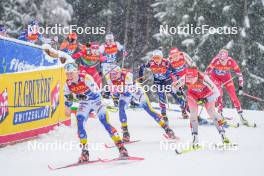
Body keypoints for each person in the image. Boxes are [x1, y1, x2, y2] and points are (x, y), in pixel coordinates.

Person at [63, 63, 128, 163]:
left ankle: (121, 148)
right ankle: (85, 153)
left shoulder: (86, 77)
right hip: (85, 104)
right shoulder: (67, 84)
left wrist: (82, 95)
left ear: (76, 71)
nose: (69, 76)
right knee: (80, 123)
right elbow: (68, 98)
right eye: (67, 74)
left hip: (97, 101)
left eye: (71, 73)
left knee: (105, 123)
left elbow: (96, 91)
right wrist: (67, 107)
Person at [108, 67, 177, 141]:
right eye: (112, 74)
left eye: (115, 74)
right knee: (121, 109)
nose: (113, 76)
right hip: (124, 94)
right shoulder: (109, 79)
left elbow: (128, 92)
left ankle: (167, 129)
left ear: (119, 73)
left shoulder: (127, 75)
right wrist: (114, 96)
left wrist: (117, 89)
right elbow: (114, 93)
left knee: (148, 110)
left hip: (137, 92)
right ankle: (125, 133)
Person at [172, 67, 230, 147]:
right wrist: (178, 92)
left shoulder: (204, 78)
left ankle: (223, 135)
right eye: (188, 77)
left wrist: (206, 99)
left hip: (207, 95)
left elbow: (217, 93)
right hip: (192, 96)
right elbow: (174, 87)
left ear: (197, 76)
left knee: (211, 113)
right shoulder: (185, 78)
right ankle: (195, 138)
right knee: (193, 115)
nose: (190, 80)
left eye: (192, 78)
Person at [139, 50, 188, 124]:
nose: (156, 60)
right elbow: (142, 67)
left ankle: (186, 110)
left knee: (176, 95)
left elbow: (174, 71)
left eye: (158, 58)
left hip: (168, 81)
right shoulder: (151, 63)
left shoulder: (166, 62)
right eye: (154, 58)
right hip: (159, 82)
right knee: (161, 96)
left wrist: (177, 81)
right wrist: (141, 77)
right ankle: (164, 114)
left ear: (161, 58)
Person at [205, 49, 248, 125]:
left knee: (233, 96)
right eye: (221, 60)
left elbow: (239, 74)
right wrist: (206, 83)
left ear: (227, 58)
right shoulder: (215, 60)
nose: (223, 62)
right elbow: (207, 72)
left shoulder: (231, 61)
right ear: (219, 57)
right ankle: (220, 114)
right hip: (215, 78)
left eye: (224, 60)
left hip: (227, 78)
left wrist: (241, 87)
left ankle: (241, 116)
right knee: (219, 93)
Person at [99, 33, 127, 101]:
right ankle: (113, 97)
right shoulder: (103, 46)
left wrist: (124, 51)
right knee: (109, 81)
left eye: (111, 40)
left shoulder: (116, 44)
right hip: (106, 65)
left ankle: (113, 94)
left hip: (114, 65)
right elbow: (98, 53)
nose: (110, 42)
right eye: (108, 40)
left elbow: (121, 48)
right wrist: (101, 57)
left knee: (119, 78)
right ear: (106, 40)